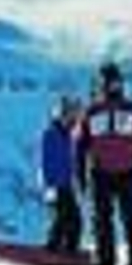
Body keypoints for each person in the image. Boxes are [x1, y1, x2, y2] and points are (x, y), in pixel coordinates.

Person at [76, 62, 132, 265]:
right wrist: (81, 176)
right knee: (103, 217)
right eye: (108, 82)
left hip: (127, 171)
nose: (112, 86)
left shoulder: (131, 110)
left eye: (115, 82)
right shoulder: (91, 112)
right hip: (101, 172)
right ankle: (106, 260)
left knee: (130, 216)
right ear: (100, 85)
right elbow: (80, 146)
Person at [40, 96, 85, 254]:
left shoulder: (70, 136)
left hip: (66, 185)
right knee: (61, 218)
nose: (73, 120)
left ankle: (70, 249)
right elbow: (47, 162)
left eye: (75, 116)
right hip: (55, 185)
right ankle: (53, 248)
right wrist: (49, 186)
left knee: (75, 220)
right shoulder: (52, 134)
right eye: (70, 116)